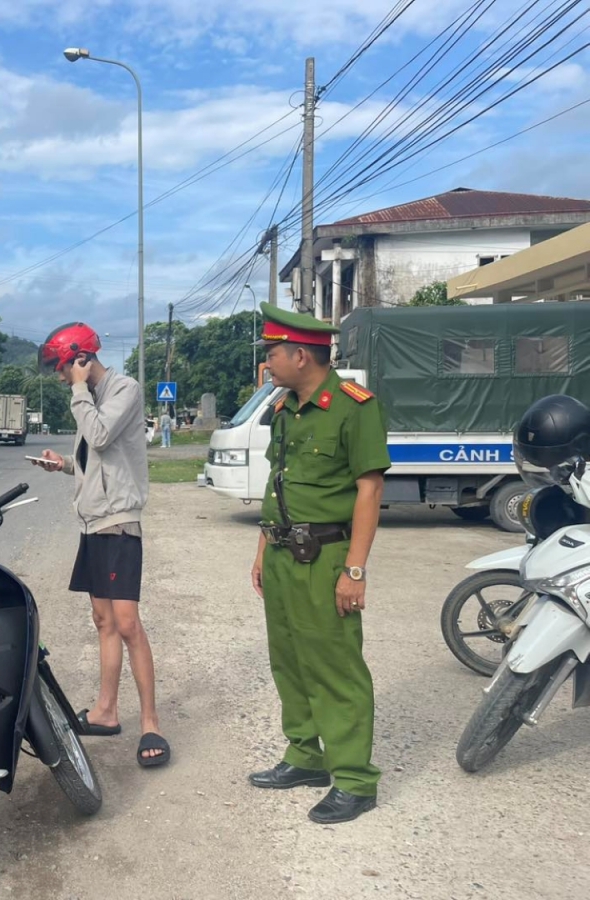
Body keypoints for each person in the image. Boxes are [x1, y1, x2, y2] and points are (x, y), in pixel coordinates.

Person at [248, 301, 390, 825]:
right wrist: (262, 551)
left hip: (325, 556)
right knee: (289, 659)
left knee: (335, 666)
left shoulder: (354, 407)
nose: (266, 363)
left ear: (301, 356)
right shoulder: (286, 409)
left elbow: (369, 490)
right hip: (282, 554)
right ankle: (306, 756)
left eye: (272, 353)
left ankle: (354, 780)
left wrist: (355, 570)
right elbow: (278, 485)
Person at [31, 322, 169, 768]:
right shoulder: (89, 398)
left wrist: (78, 390)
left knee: (128, 624)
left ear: (81, 358)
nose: (60, 377)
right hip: (92, 524)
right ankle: (106, 711)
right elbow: (95, 458)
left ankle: (150, 723)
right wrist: (63, 465)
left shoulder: (124, 389)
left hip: (119, 523)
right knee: (103, 620)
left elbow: (102, 435)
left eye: (62, 367)